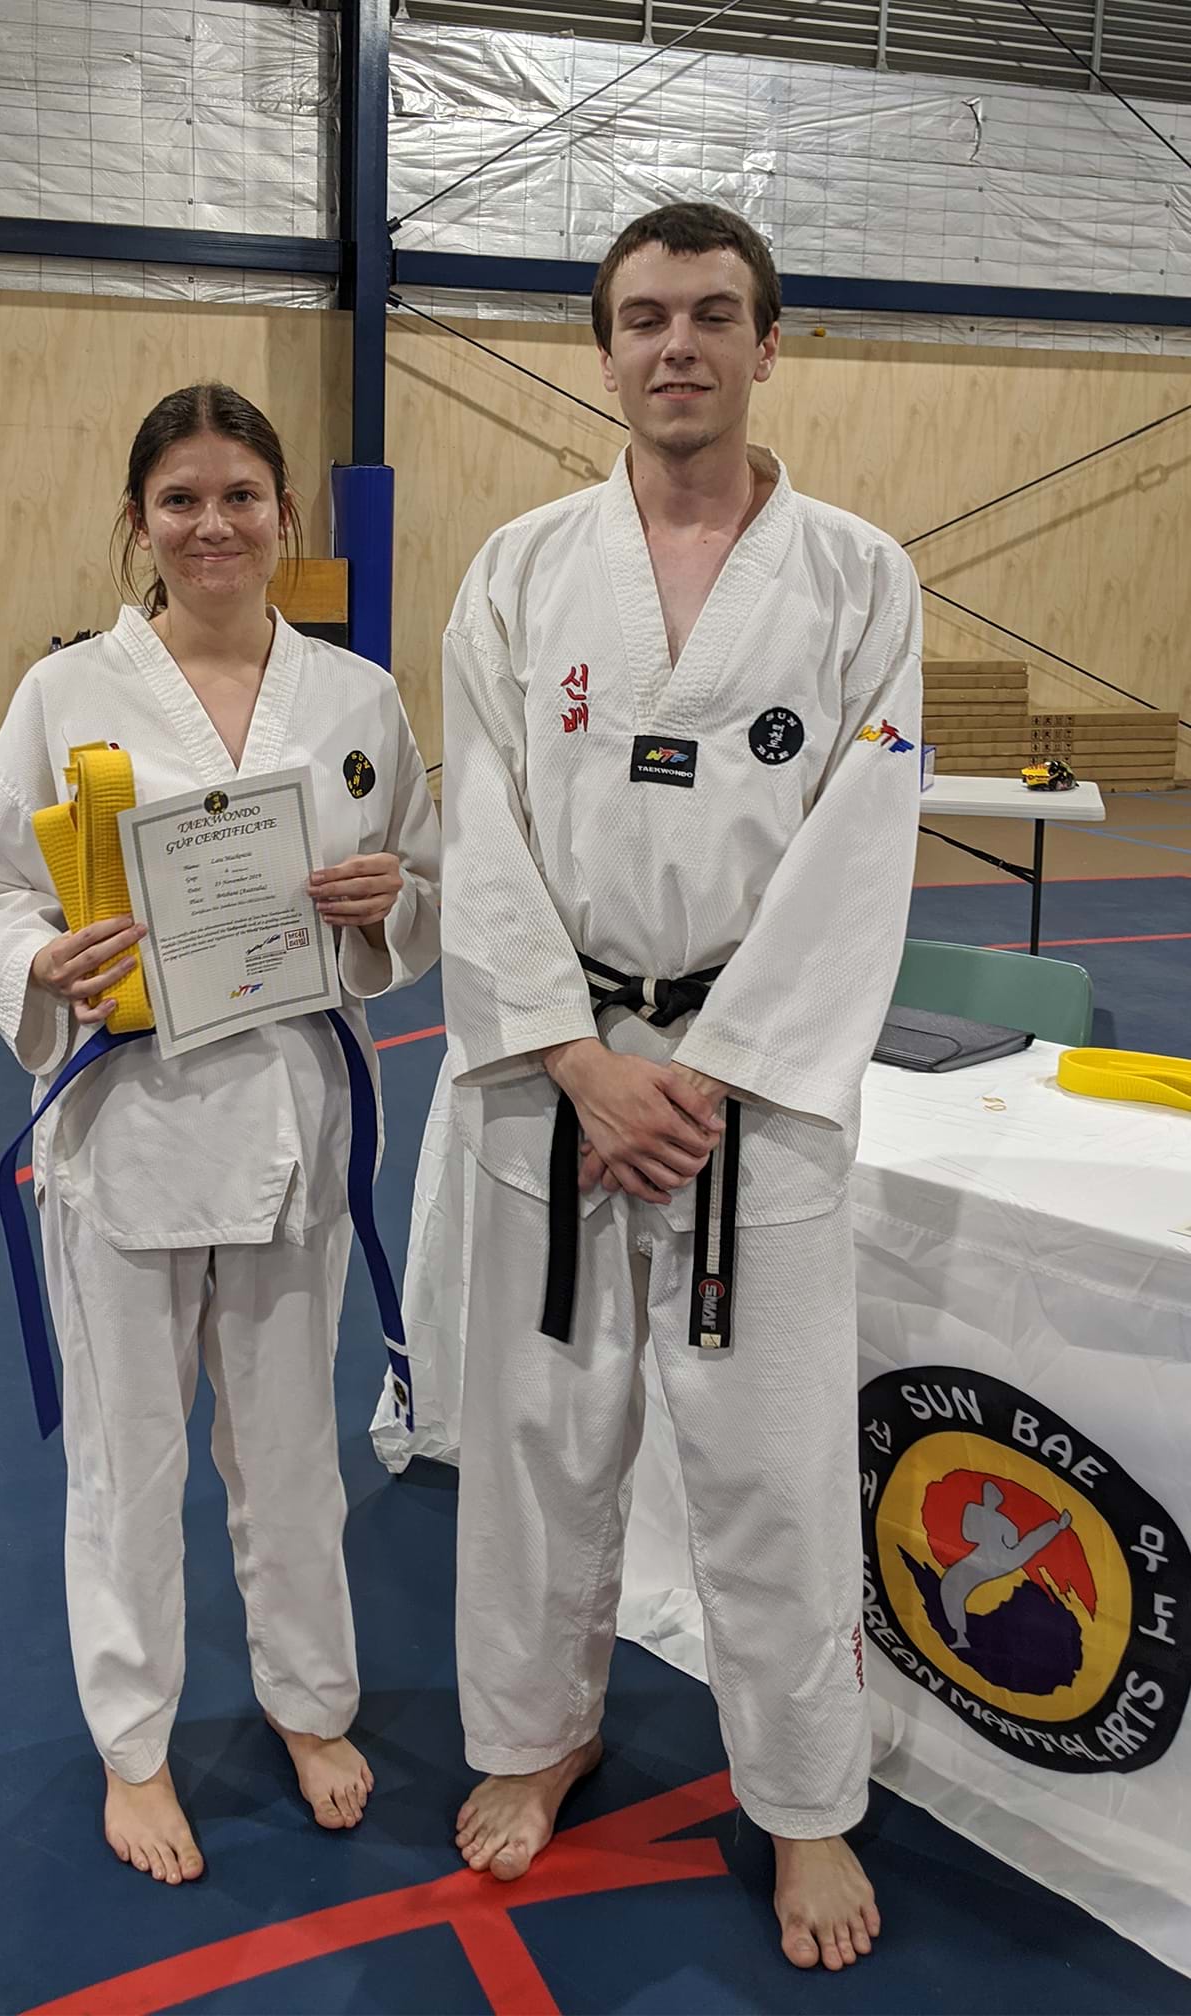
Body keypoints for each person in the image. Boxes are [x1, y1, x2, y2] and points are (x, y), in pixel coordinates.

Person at [434, 202, 922, 1971]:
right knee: (538, 1442)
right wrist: (577, 1056)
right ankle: (536, 1733)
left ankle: (804, 1802)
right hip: (554, 1077)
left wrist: (706, 1074)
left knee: (772, 1461)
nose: (678, 345)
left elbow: (864, 843)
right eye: (644, 317)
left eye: (715, 314)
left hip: (752, 1095)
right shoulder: (519, 568)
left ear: (769, 343)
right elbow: (478, 821)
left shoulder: (859, 575)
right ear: (604, 349)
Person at [0, 383, 440, 1885]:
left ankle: (310, 1702)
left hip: (291, 1114)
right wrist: (37, 959)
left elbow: (424, 872)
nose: (214, 525)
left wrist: (390, 905)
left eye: (241, 496)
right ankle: (135, 1743)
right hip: (129, 1117)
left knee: (289, 1451)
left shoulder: (356, 697)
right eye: (181, 500)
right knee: (130, 1459)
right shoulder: (68, 692)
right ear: (138, 520)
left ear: (285, 513)